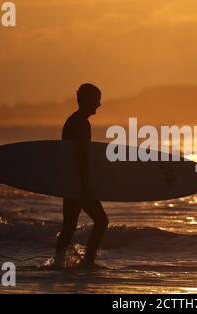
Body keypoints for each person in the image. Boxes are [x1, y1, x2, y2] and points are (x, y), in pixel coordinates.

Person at [54, 83, 109, 269]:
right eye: (97, 99)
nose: (99, 104)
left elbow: (69, 157)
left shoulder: (72, 120)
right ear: (87, 100)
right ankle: (88, 262)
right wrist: (85, 185)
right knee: (102, 221)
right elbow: (80, 157)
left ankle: (57, 263)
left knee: (69, 226)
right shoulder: (81, 123)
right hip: (78, 183)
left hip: (70, 182)